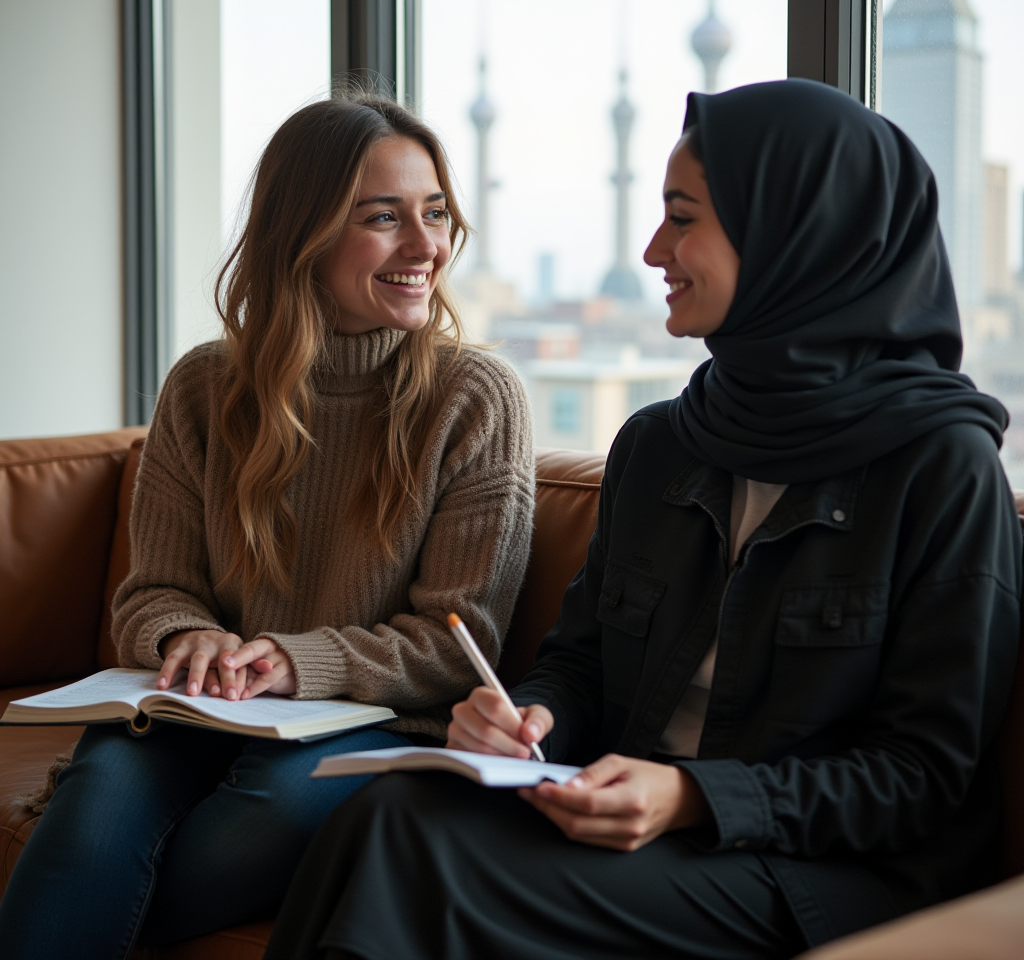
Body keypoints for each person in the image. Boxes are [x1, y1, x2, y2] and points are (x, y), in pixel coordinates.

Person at [263, 79, 1022, 960]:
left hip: (823, 874)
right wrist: (531, 721)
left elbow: (920, 779)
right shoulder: (663, 443)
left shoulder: (940, 467)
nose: (654, 248)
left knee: (430, 860)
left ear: (793, 235)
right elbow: (579, 665)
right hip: (637, 827)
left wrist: (692, 797)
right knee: (391, 813)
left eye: (683, 218)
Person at [0, 94, 535, 960]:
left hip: (368, 725)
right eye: (383, 218)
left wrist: (295, 661)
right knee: (98, 798)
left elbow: (457, 642)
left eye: (434, 213)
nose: (426, 245)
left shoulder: (475, 397)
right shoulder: (205, 386)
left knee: (262, 813)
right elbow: (151, 594)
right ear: (305, 234)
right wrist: (190, 636)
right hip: (195, 714)